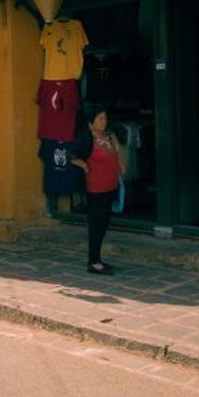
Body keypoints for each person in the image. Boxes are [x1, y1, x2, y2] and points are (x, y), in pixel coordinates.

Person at [76, 105, 123, 274]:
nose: (104, 121)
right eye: (100, 119)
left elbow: (115, 155)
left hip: (110, 186)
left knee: (104, 223)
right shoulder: (87, 138)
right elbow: (70, 155)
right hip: (96, 188)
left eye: (105, 118)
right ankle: (93, 261)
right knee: (96, 225)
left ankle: (97, 259)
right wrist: (85, 166)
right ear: (91, 122)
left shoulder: (108, 136)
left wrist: (120, 166)